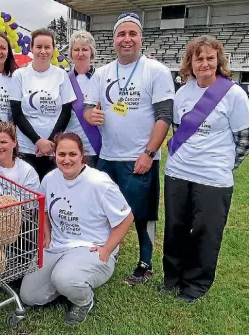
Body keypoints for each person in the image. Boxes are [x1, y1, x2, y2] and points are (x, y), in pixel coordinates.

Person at [84, 13, 175, 285]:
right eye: (121, 34)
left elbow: (164, 116)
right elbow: (89, 108)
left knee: (141, 213)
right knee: (101, 210)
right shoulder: (102, 73)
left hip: (139, 157)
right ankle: (102, 255)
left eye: (132, 34)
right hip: (108, 156)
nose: (127, 39)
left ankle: (144, 264)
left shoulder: (156, 71)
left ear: (141, 39)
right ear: (114, 40)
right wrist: (91, 116)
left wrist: (148, 153)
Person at [163, 35, 249, 303]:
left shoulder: (233, 94)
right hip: (178, 172)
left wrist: (224, 164)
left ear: (219, 61)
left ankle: (195, 285)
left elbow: (244, 139)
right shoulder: (183, 92)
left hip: (213, 178)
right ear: (190, 62)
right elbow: (178, 131)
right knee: (175, 227)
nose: (204, 63)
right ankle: (172, 278)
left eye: (210, 58)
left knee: (205, 232)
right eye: (198, 58)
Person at [19, 132, 133, 326]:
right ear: (54, 155)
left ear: (82, 155)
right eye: (61, 154)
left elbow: (126, 218)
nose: (66, 159)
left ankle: (83, 300)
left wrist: (107, 249)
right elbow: (44, 209)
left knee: (64, 278)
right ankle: (67, 284)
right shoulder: (49, 179)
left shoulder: (99, 182)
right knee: (30, 296)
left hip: (92, 246)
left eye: (72, 154)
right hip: (59, 244)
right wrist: (47, 233)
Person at [10, 28, 76, 180]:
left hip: (53, 149)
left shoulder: (61, 75)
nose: (43, 51)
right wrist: (38, 141)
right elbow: (17, 113)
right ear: (31, 48)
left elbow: (66, 112)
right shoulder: (19, 75)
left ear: (53, 49)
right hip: (26, 147)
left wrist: (50, 143)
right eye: (39, 47)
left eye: (47, 47)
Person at [65, 30, 100, 167]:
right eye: (76, 50)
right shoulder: (63, 79)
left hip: (98, 147)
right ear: (71, 53)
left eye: (84, 49)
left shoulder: (102, 77)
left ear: (91, 52)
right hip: (72, 147)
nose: (80, 54)